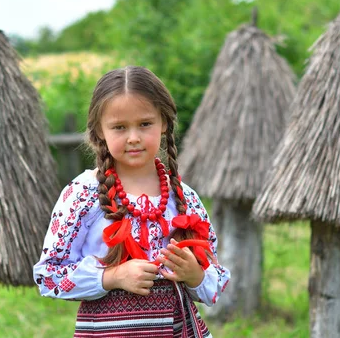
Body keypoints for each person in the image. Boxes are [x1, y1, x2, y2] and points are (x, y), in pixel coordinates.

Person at [34, 66, 230, 337]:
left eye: (145, 124)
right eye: (119, 127)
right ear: (99, 131)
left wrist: (194, 274)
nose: (134, 137)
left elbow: (216, 279)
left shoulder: (185, 198)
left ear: (164, 123)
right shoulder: (83, 195)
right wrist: (113, 277)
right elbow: (49, 276)